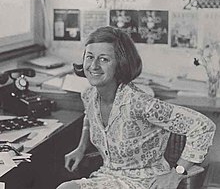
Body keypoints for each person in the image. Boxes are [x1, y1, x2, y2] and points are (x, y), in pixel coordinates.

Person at [57, 26, 216, 189]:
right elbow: (89, 116)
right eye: (90, 57)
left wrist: (177, 173)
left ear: (120, 64)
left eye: (104, 59)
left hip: (148, 182)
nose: (94, 66)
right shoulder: (89, 95)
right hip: (109, 176)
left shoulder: (140, 103)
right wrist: (81, 148)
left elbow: (203, 126)